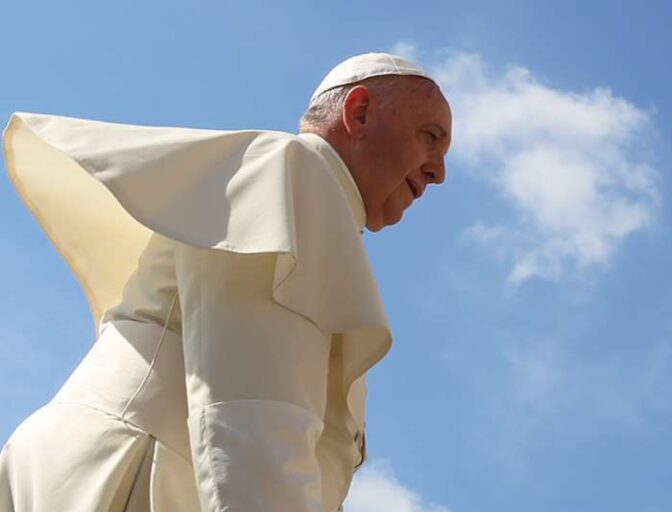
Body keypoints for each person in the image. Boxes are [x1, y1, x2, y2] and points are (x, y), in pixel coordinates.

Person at [0, 52, 452, 511]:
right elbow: (253, 405)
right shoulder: (295, 171)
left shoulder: (300, 188)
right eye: (430, 137)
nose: (438, 172)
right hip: (142, 470)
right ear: (359, 112)